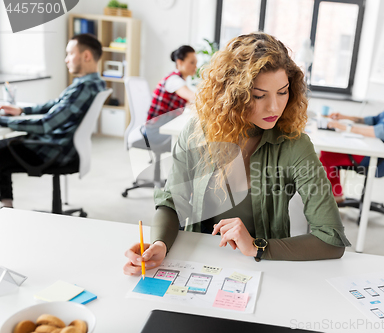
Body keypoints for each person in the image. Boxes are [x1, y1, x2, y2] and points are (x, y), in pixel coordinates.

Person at [123, 32, 351, 274]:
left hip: (264, 269)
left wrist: (258, 247)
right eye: (259, 96)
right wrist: (159, 244)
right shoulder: (196, 131)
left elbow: (331, 239)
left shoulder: (295, 145)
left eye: (283, 92)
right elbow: (173, 201)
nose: (274, 106)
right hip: (198, 261)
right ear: (232, 95)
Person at [0, 34, 106, 208]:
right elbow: (56, 104)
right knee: (6, 145)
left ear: (86, 56)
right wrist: (23, 110)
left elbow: (45, 125)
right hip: (64, 147)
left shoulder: (84, 87)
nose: (66, 60)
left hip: (54, 150)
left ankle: (7, 207)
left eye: (70, 53)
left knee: (2, 148)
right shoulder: (94, 83)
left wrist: (3, 121)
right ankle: (7, 205)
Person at [320, 59, 384, 202]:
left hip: (379, 156)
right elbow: (376, 119)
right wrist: (345, 117)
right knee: (328, 151)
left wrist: (346, 127)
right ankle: (336, 195)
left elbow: (383, 131)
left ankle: (334, 197)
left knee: (327, 155)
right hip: (372, 145)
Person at [146, 45, 197, 121]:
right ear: (179, 62)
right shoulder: (174, 80)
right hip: (156, 128)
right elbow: (194, 97)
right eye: (192, 62)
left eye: (196, 63)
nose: (195, 66)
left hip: (162, 125)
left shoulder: (178, 79)